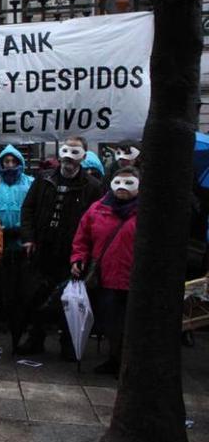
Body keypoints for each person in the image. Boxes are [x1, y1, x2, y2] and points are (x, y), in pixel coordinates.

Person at [18, 137, 103, 357]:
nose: (69, 159)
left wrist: (83, 254)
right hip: (42, 249)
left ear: (83, 157)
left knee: (70, 298)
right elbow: (28, 209)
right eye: (66, 152)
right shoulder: (44, 179)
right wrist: (28, 238)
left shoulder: (92, 187)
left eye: (75, 154)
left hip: (71, 252)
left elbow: (96, 221)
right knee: (38, 295)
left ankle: (68, 342)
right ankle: (36, 338)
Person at [71, 167, 140, 375]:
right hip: (105, 278)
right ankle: (114, 358)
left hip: (134, 279)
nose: (122, 188)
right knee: (111, 322)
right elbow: (82, 238)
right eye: (118, 182)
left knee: (132, 325)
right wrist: (78, 259)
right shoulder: (97, 209)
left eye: (129, 184)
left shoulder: (147, 212)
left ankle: (130, 364)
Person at [0, 144, 35, 349]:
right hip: (1, 242)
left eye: (13, 161)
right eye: (6, 161)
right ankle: (9, 320)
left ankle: (23, 323)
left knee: (25, 287)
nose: (10, 165)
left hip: (25, 242)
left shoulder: (30, 182)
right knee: (5, 285)